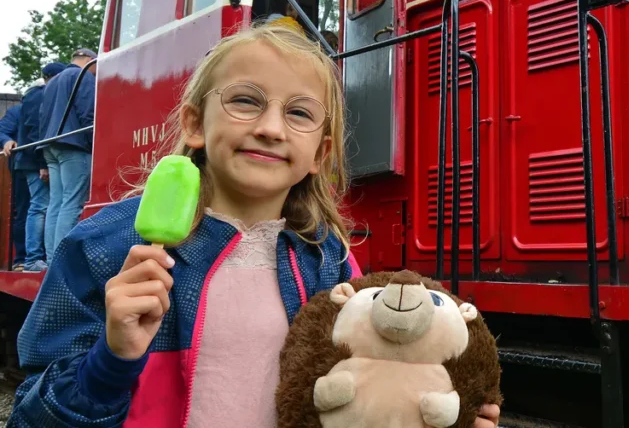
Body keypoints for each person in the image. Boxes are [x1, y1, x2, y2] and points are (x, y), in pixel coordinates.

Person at [9, 23, 499, 427]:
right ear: (196, 124)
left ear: (320, 154)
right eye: (246, 101)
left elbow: (359, 403)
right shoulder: (105, 247)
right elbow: (32, 416)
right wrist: (110, 361)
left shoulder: (330, 262)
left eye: (299, 112)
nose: (270, 127)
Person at [1, 62, 66, 272]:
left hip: (31, 160)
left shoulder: (34, 98)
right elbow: (30, 131)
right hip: (29, 161)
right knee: (34, 207)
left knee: (38, 207)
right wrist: (6, 142)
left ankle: (33, 257)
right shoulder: (32, 101)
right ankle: (28, 258)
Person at [38, 48, 96, 258]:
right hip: (73, 144)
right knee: (72, 202)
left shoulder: (52, 82)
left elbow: (42, 116)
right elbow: (88, 111)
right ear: (90, 60)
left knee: (56, 203)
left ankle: (53, 257)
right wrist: (94, 144)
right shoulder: (84, 75)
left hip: (50, 145)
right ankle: (63, 260)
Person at [0, 103, 28, 270]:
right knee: (23, 210)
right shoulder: (17, 111)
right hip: (22, 167)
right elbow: (1, 131)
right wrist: (7, 141)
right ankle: (21, 258)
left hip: (42, 163)